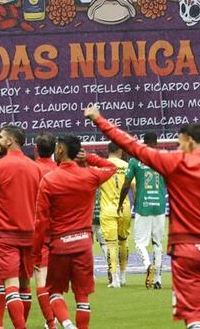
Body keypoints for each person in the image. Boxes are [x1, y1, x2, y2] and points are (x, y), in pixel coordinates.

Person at [85, 103, 200, 329]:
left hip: (186, 253)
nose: (178, 147)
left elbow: (133, 146)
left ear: (190, 141)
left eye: (180, 143)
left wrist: (99, 119)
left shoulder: (176, 163)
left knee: (194, 318)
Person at [35, 135, 118, 329]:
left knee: (54, 292)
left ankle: (66, 323)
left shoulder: (49, 180)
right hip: (83, 244)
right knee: (82, 296)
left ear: (61, 150)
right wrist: (88, 157)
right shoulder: (89, 175)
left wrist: (36, 252)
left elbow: (41, 222)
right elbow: (111, 167)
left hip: (60, 245)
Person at [0, 125, 44, 329]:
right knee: (25, 285)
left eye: (0, 136)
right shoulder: (35, 167)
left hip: (6, 235)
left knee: (10, 286)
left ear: (10, 141)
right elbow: (41, 202)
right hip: (30, 234)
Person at [119, 131, 168, 289]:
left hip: (143, 206)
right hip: (160, 205)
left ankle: (148, 265)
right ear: (156, 143)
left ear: (143, 142)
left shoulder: (135, 160)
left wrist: (120, 203)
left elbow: (126, 184)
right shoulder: (162, 159)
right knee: (157, 242)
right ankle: (158, 279)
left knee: (140, 243)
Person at [31, 133, 60, 329]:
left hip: (37, 230)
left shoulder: (31, 170)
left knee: (40, 277)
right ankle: (56, 316)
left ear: (36, 149)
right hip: (59, 230)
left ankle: (51, 322)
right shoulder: (59, 170)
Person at [98, 141, 131, 288]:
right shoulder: (126, 165)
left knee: (111, 244)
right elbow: (133, 185)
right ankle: (123, 276)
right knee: (123, 241)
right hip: (124, 208)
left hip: (108, 209)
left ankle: (115, 279)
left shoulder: (101, 166)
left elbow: (95, 185)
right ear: (120, 151)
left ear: (108, 151)